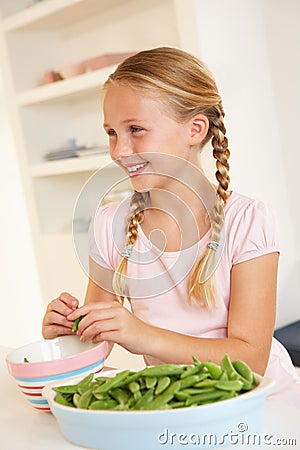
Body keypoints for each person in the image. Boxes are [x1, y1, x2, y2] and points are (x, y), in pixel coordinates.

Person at [42, 47, 300, 405]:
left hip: (264, 406)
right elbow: (95, 344)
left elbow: (251, 359)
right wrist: (66, 335)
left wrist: (142, 335)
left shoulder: (247, 221)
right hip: (175, 411)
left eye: (136, 130)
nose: (118, 151)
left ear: (195, 129)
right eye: (112, 133)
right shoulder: (109, 225)